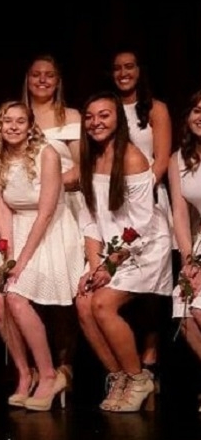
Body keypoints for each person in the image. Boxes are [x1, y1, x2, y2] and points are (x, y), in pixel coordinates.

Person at [76, 92, 172, 412]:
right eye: (89, 117)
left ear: (118, 118)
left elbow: (142, 225)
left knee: (102, 303)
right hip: (113, 252)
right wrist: (94, 267)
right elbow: (90, 219)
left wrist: (111, 265)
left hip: (144, 248)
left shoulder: (131, 158)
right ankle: (119, 377)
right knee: (85, 299)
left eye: (103, 115)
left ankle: (139, 377)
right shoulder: (89, 159)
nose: (95, 123)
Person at [0, 101, 82, 411]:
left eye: (20, 121)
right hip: (15, 230)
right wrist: (7, 255)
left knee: (15, 297)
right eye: (7, 121)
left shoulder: (47, 154)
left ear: (30, 127)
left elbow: (46, 211)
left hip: (50, 231)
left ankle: (49, 375)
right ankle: (24, 373)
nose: (13, 126)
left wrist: (22, 261)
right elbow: (2, 208)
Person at [110, 49, 173, 388]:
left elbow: (160, 160)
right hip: (113, 205)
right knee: (121, 282)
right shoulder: (108, 109)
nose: (123, 73)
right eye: (117, 68)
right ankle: (127, 359)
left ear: (139, 70)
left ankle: (151, 357)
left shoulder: (156, 109)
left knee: (151, 285)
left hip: (148, 200)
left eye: (129, 66)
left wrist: (141, 195)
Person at [22, 54, 84, 385]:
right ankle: (35, 368)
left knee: (62, 286)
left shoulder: (70, 116)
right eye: (36, 75)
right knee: (32, 286)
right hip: (25, 211)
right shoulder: (20, 116)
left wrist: (51, 186)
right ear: (27, 79)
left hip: (64, 209)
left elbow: (81, 166)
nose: (42, 80)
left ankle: (65, 366)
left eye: (49, 75)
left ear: (58, 81)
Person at [170, 90, 201, 409]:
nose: (200, 116)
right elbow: (180, 213)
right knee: (185, 310)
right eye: (196, 109)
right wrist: (188, 259)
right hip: (198, 238)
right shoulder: (178, 159)